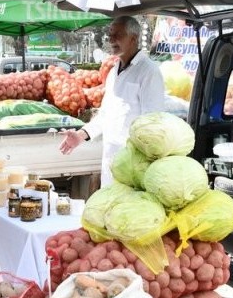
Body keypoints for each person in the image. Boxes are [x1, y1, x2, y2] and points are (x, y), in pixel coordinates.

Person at [59, 15, 165, 186]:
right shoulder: (114, 70)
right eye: (110, 35)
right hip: (110, 159)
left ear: (133, 38)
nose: (112, 40)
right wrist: (81, 135)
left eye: (118, 35)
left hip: (133, 165)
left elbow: (152, 124)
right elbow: (106, 113)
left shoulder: (149, 72)